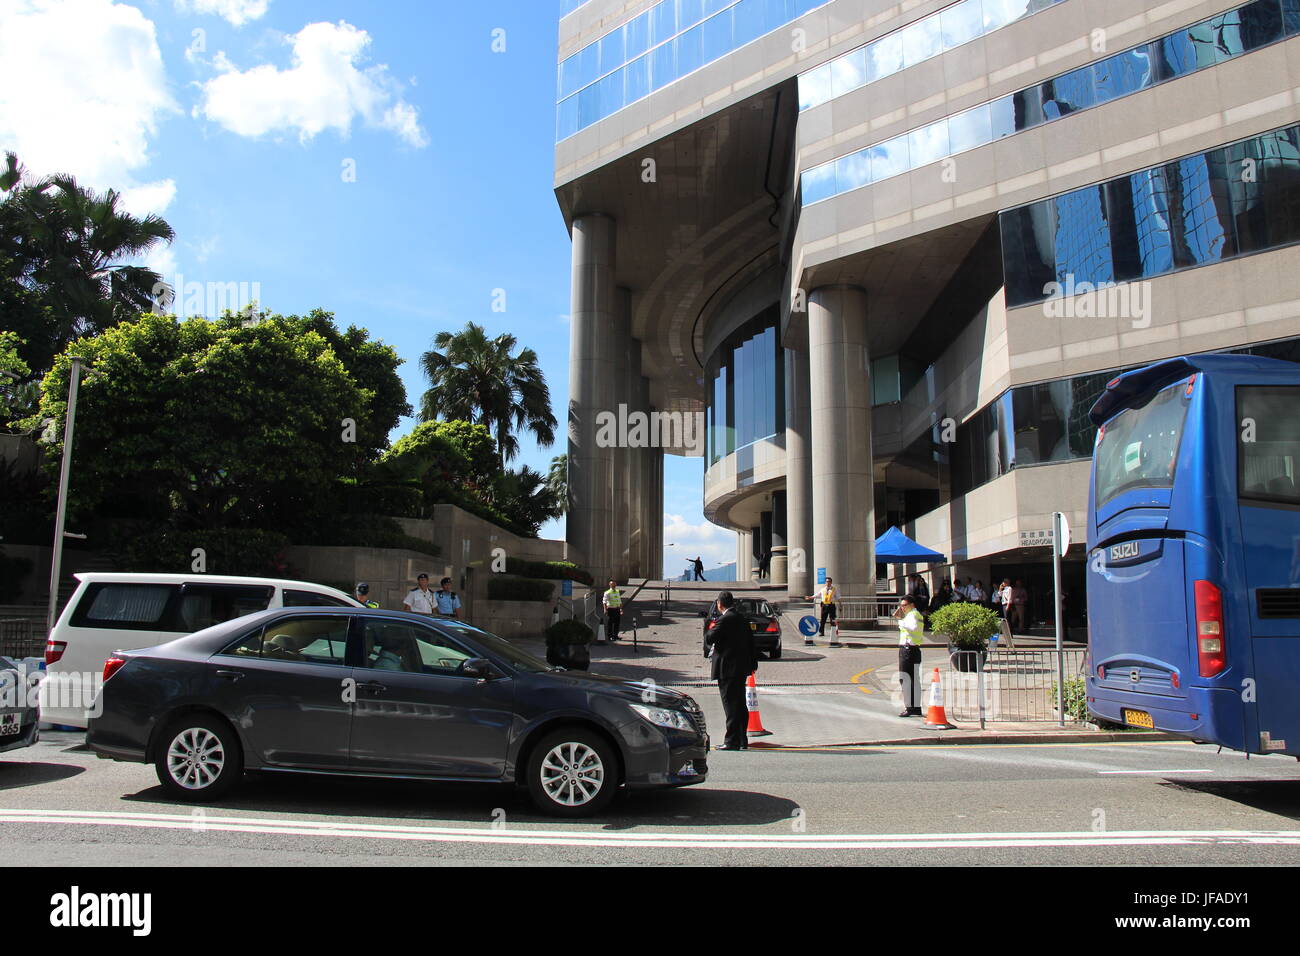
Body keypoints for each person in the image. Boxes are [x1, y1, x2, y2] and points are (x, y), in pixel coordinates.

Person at [704, 590, 758, 750]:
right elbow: (751, 642)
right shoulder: (741, 618)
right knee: (740, 704)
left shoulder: (724, 619)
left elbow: (710, 638)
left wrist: (710, 628)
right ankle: (742, 739)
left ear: (720, 604)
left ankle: (731, 740)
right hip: (741, 668)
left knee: (730, 705)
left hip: (727, 668)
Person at [894, 593, 925, 717]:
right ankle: (916, 707)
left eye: (904, 605)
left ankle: (910, 707)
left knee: (905, 678)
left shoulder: (912, 615)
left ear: (912, 605)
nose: (902, 608)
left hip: (908, 649)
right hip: (913, 649)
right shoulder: (914, 614)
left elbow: (912, 627)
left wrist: (900, 620)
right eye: (901, 606)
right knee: (913, 679)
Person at [813, 577, 840, 646]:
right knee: (823, 620)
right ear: (825, 582)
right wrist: (810, 597)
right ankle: (821, 632)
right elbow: (817, 594)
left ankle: (833, 633)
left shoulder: (834, 589)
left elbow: (837, 597)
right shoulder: (823, 589)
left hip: (831, 605)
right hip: (824, 605)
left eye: (829, 581)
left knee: (832, 619)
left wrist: (840, 604)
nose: (828, 583)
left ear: (831, 582)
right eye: (827, 581)